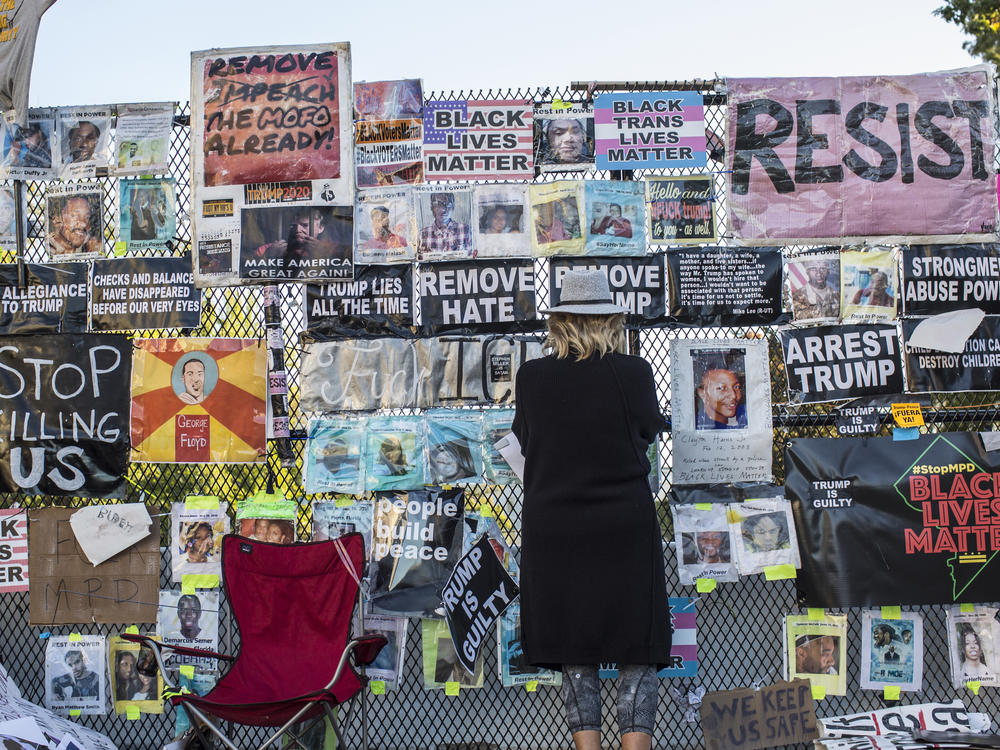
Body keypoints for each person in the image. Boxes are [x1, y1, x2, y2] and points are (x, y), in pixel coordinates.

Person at [513, 269, 668, 750]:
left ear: (559, 323)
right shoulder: (634, 372)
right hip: (623, 525)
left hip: (555, 528)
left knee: (572, 642)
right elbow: (647, 430)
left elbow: (524, 439)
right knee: (637, 645)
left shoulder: (532, 376)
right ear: (610, 321)